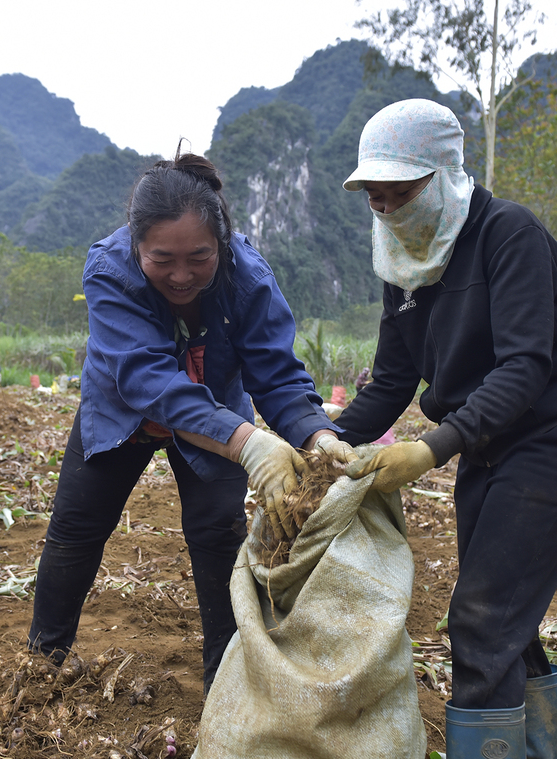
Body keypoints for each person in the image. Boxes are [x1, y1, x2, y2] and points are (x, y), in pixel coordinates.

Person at [334, 100, 557, 759]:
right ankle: (531, 747)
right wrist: (325, 445)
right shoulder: (402, 258)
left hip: (550, 439)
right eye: (374, 196)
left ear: (444, 174)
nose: (386, 208)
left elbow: (525, 367)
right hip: (486, 447)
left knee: (482, 618)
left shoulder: (507, 234)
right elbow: (395, 378)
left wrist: (429, 449)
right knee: (506, 613)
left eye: (399, 192)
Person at [26, 150, 353, 688]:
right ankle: (42, 664)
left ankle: (225, 684)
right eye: (162, 260)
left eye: (199, 257)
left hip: (215, 414)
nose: (181, 275)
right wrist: (248, 442)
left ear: (221, 243)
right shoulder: (109, 269)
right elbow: (146, 380)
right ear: (136, 246)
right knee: (75, 531)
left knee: (219, 535)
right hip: (123, 411)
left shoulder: (248, 277)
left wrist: (319, 436)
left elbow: (276, 375)